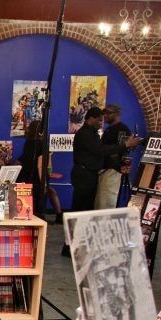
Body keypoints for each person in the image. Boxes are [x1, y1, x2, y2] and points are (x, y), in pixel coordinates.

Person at [63, 107, 141, 256]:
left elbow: (101, 152)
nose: (101, 123)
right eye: (99, 120)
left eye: (102, 120)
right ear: (90, 118)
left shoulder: (92, 133)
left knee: (85, 211)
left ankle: (77, 246)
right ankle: (70, 248)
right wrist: (125, 145)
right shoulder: (85, 134)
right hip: (84, 175)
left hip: (90, 174)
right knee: (79, 211)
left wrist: (118, 166)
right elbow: (100, 150)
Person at [96, 104, 132, 210]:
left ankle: (106, 224)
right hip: (105, 168)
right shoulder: (109, 129)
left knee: (108, 200)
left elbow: (122, 149)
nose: (105, 115)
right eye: (104, 113)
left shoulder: (122, 129)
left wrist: (117, 166)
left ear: (116, 114)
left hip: (112, 170)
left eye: (108, 113)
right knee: (101, 200)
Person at [18, 120, 48, 216]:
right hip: (36, 179)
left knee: (26, 207)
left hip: (25, 176)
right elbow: (40, 165)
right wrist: (44, 183)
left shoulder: (27, 143)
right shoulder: (41, 145)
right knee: (37, 207)